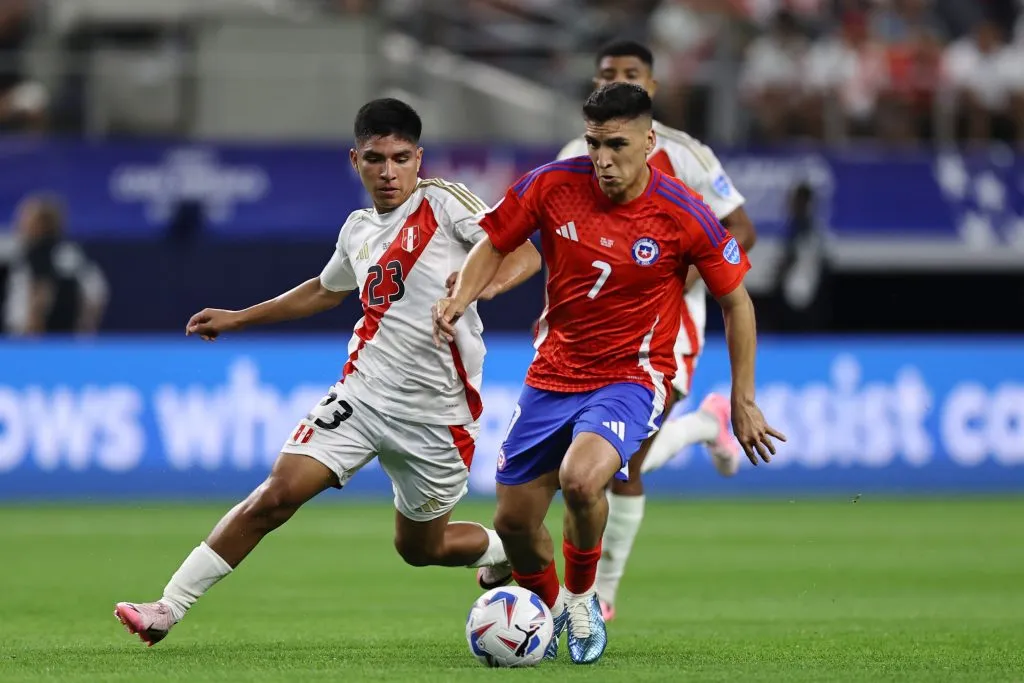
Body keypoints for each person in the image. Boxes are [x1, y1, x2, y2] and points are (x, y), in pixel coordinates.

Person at [113, 98, 542, 646]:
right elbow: (323, 290)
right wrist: (240, 317)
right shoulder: (357, 229)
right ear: (355, 160)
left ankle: (504, 550)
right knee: (276, 495)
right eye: (375, 159)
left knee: (420, 549)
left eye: (401, 158)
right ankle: (166, 608)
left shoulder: (444, 201)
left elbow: (523, 255)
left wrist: (474, 289)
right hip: (362, 396)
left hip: (438, 415)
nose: (388, 172)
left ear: (419, 159)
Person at [434, 83, 784, 664]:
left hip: (631, 377)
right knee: (514, 523)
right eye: (594, 143)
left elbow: (737, 302)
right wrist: (460, 297)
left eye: (616, 144)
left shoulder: (684, 211)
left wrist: (744, 397)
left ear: (649, 142)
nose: (602, 158)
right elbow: (493, 241)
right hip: (551, 374)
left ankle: (581, 599)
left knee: (581, 479)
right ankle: (548, 614)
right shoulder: (552, 184)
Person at [555, 39, 759, 621]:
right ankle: (704, 425)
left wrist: (681, 272)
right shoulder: (576, 154)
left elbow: (741, 228)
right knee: (593, 463)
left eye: (631, 72)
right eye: (607, 73)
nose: (618, 79)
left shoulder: (685, 154)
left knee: (625, 464)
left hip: (668, 331)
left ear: (653, 86)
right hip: (590, 335)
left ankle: (601, 595)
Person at [1, 194, 108, 336]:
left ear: (42, 225)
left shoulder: (47, 254)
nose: (20, 224)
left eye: (26, 220)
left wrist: (33, 327)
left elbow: (42, 291)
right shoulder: (16, 250)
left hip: (43, 338)